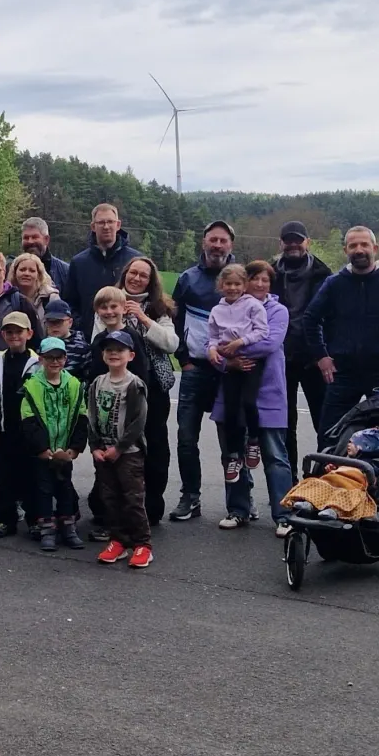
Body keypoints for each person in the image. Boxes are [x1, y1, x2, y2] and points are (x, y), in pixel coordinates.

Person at [301, 226, 379, 447]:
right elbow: (310, 319)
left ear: (375, 248)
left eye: (364, 244)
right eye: (353, 245)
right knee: (330, 434)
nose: (359, 250)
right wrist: (321, 355)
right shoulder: (334, 284)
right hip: (343, 372)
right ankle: (326, 479)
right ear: (345, 250)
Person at [212, 262, 294, 533]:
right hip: (232, 388)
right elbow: (212, 345)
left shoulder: (278, 311)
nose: (260, 284)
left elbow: (269, 343)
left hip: (268, 390)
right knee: (232, 453)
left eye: (265, 280)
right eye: (255, 279)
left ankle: (284, 515)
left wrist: (230, 351)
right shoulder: (226, 307)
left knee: (275, 456)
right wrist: (225, 361)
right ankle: (238, 509)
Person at [168, 220, 237, 522]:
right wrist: (183, 359)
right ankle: (190, 497)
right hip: (195, 369)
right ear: (204, 243)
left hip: (230, 372)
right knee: (186, 436)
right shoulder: (187, 278)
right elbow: (175, 319)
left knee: (231, 440)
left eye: (223, 241)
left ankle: (238, 502)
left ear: (230, 245)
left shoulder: (239, 278)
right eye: (213, 240)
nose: (217, 245)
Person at [116, 256, 179, 524]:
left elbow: (171, 343)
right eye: (133, 273)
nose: (136, 278)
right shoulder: (110, 299)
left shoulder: (158, 308)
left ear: (151, 281)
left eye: (143, 275)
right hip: (120, 386)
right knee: (121, 443)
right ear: (125, 274)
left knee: (155, 444)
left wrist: (142, 317)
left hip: (153, 388)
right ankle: (117, 502)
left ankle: (152, 503)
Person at [270, 220, 333, 472]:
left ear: (308, 242)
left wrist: (327, 352)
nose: (293, 244)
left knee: (324, 422)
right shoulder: (270, 273)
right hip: (280, 358)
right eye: (288, 240)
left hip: (315, 357)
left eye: (298, 239)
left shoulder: (324, 274)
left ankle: (321, 479)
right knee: (285, 423)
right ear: (281, 243)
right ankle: (289, 480)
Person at [88, 330, 152, 569]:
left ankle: (142, 544)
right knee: (110, 498)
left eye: (120, 350)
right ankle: (118, 541)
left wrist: (120, 447)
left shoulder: (134, 384)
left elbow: (138, 421)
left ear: (131, 355)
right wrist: (95, 446)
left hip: (129, 453)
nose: (114, 354)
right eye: (109, 350)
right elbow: (91, 416)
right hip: (103, 453)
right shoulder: (97, 383)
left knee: (132, 499)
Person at [19, 336, 88, 550]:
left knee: (65, 488)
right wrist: (42, 449)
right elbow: (29, 420)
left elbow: (81, 416)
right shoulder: (32, 386)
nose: (54, 362)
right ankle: (47, 528)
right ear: (41, 359)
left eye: (59, 357)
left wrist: (74, 448)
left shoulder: (74, 385)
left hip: (64, 451)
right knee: (43, 489)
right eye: (49, 357)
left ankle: (68, 527)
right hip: (44, 452)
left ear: (65, 359)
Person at [205, 263, 270, 485]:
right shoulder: (217, 310)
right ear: (221, 285)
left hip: (251, 362)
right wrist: (213, 350)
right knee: (231, 409)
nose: (232, 288)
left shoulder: (253, 306)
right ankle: (234, 454)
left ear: (244, 286)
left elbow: (262, 331)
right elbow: (213, 336)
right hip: (229, 364)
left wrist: (240, 343)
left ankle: (253, 440)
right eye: (228, 284)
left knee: (249, 403)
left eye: (237, 284)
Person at [0, 311, 41, 538]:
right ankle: (6, 519)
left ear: (29, 333)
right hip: (3, 429)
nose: (14, 335)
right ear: (3, 334)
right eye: (10, 331)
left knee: (30, 477)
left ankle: (35, 520)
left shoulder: (37, 363)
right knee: (3, 477)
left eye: (19, 331)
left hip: (28, 431)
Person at [60, 203, 141, 339]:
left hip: (126, 340)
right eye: (101, 222)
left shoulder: (135, 260)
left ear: (118, 225)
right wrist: (82, 325)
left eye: (110, 221)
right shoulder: (79, 263)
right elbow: (70, 302)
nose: (106, 226)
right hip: (88, 339)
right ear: (93, 227)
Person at [18, 214, 69, 296]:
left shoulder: (65, 272)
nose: (30, 241)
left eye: (34, 237)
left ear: (46, 239)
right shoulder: (12, 271)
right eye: (26, 238)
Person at [41, 300, 89, 374]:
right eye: (50, 322)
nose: (54, 326)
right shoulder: (41, 345)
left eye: (59, 322)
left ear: (70, 322)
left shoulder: (82, 348)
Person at [9, 252, 58, 319]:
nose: (26, 273)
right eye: (22, 270)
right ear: (14, 273)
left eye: (32, 271)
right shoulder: (7, 297)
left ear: (39, 274)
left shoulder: (51, 298)